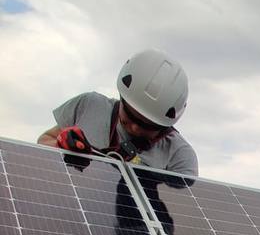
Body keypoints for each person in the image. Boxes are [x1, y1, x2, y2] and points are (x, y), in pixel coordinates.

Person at [37, 49, 198, 177]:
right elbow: (44, 141)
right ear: (122, 98)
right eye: (130, 116)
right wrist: (60, 147)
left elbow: (182, 212)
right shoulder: (89, 105)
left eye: (147, 125)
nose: (135, 128)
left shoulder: (180, 156)